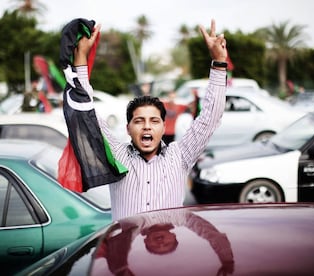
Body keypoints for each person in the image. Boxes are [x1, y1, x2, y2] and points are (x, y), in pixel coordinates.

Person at [69, 18, 227, 220]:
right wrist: (81, 57)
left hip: (171, 252)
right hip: (124, 251)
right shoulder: (116, 157)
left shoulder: (180, 156)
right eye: (138, 121)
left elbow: (210, 118)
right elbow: (85, 115)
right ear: (128, 128)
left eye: (154, 121)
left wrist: (219, 64)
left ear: (163, 127)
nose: (146, 127)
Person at [94, 209, 234, 275]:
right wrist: (227, 260)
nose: (160, 243)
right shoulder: (182, 217)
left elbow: (119, 248)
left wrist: (122, 272)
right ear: (173, 236)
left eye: (154, 247)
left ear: (146, 241)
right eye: (167, 244)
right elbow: (212, 235)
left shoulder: (134, 226)